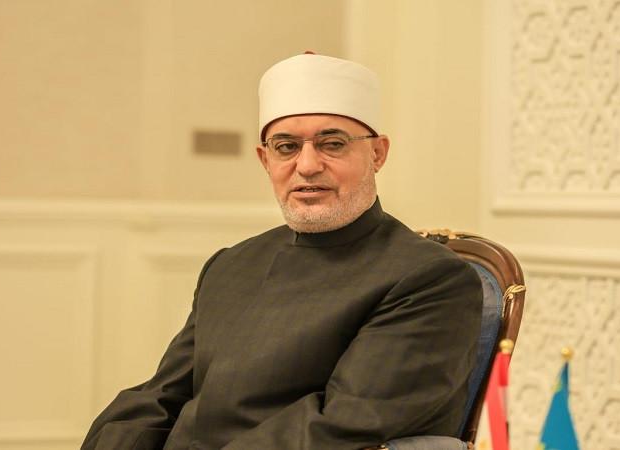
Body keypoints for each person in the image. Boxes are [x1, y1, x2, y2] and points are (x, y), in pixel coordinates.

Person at [82, 53, 482, 450]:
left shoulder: (429, 278)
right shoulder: (231, 264)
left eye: (332, 144)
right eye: (286, 147)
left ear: (377, 153)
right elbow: (162, 395)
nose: (306, 166)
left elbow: (343, 424)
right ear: (265, 160)